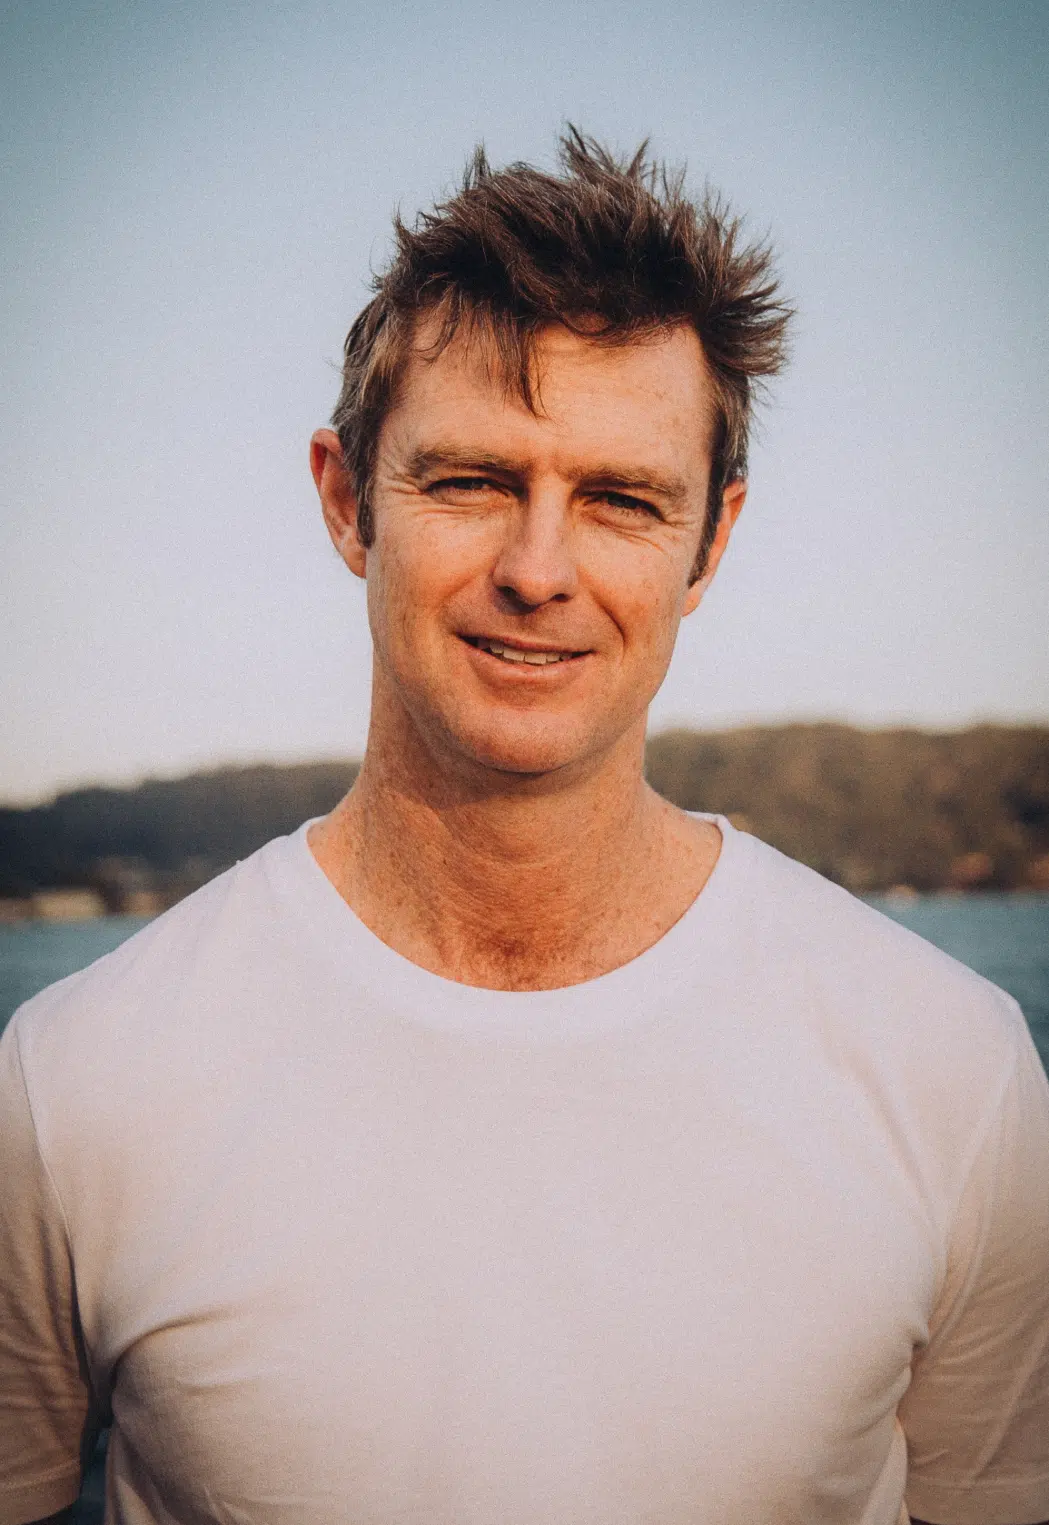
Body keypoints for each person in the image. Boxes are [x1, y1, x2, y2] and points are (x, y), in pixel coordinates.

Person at [1, 130, 1047, 1525]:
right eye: (473, 481)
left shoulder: (950, 1074)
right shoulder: (76, 1089)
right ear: (344, 498)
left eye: (622, 500)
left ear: (710, 546)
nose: (538, 571)